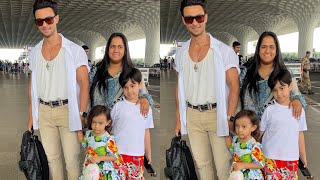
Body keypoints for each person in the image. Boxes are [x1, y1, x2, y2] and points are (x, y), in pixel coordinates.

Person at [174, 0, 240, 179]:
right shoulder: (180, 54)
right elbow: (180, 88)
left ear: (206, 18)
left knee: (223, 166)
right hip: (192, 115)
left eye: (199, 17)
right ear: (183, 20)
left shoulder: (223, 51)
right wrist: (179, 119)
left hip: (217, 114)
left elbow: (234, 87)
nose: (195, 22)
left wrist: (230, 117)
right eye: (189, 19)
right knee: (202, 166)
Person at [27, 0, 89, 179]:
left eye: (48, 19)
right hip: (44, 112)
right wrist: (32, 115)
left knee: (72, 161)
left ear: (57, 19)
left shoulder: (74, 50)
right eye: (40, 21)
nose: (45, 24)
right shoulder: (35, 52)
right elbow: (32, 86)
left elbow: (84, 83)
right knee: (52, 159)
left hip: (68, 111)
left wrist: (81, 113)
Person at [239, 31, 306, 120]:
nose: (267, 51)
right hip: (249, 130)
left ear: (276, 50)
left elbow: (296, 94)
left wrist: (297, 101)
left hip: (275, 129)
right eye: (263, 47)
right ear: (258, 49)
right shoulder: (246, 73)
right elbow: (236, 97)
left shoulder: (285, 73)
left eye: (271, 47)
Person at [89, 32, 153, 116]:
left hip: (122, 123)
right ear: (108, 49)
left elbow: (144, 94)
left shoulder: (131, 72)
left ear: (125, 50)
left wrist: (145, 99)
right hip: (98, 124)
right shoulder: (96, 71)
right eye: (113, 46)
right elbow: (86, 94)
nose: (116, 50)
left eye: (120, 47)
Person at [260, 69, 307, 179]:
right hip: (269, 157)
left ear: (290, 86)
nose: (279, 94)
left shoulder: (299, 110)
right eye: (275, 90)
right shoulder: (269, 110)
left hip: (291, 158)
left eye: (282, 88)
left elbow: (300, 134)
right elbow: (260, 134)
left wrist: (303, 155)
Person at [111, 68, 154, 179]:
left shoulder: (146, 108)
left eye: (132, 86)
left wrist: (148, 152)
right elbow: (110, 129)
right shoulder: (117, 107)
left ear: (140, 85)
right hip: (117, 153)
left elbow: (146, 132)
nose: (129, 91)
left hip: (137, 154)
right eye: (125, 87)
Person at [77, 105, 125, 180]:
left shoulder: (108, 138)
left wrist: (99, 158)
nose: (96, 126)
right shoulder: (89, 134)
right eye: (94, 122)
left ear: (107, 122)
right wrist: (79, 133)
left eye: (100, 123)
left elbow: (114, 157)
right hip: (90, 169)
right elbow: (84, 144)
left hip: (103, 172)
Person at [225, 110, 265, 179]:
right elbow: (232, 150)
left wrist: (243, 165)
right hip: (238, 175)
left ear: (253, 128)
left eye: (244, 126)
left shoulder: (254, 145)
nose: (239, 130)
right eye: (237, 126)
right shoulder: (236, 140)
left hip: (250, 177)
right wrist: (226, 136)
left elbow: (261, 164)